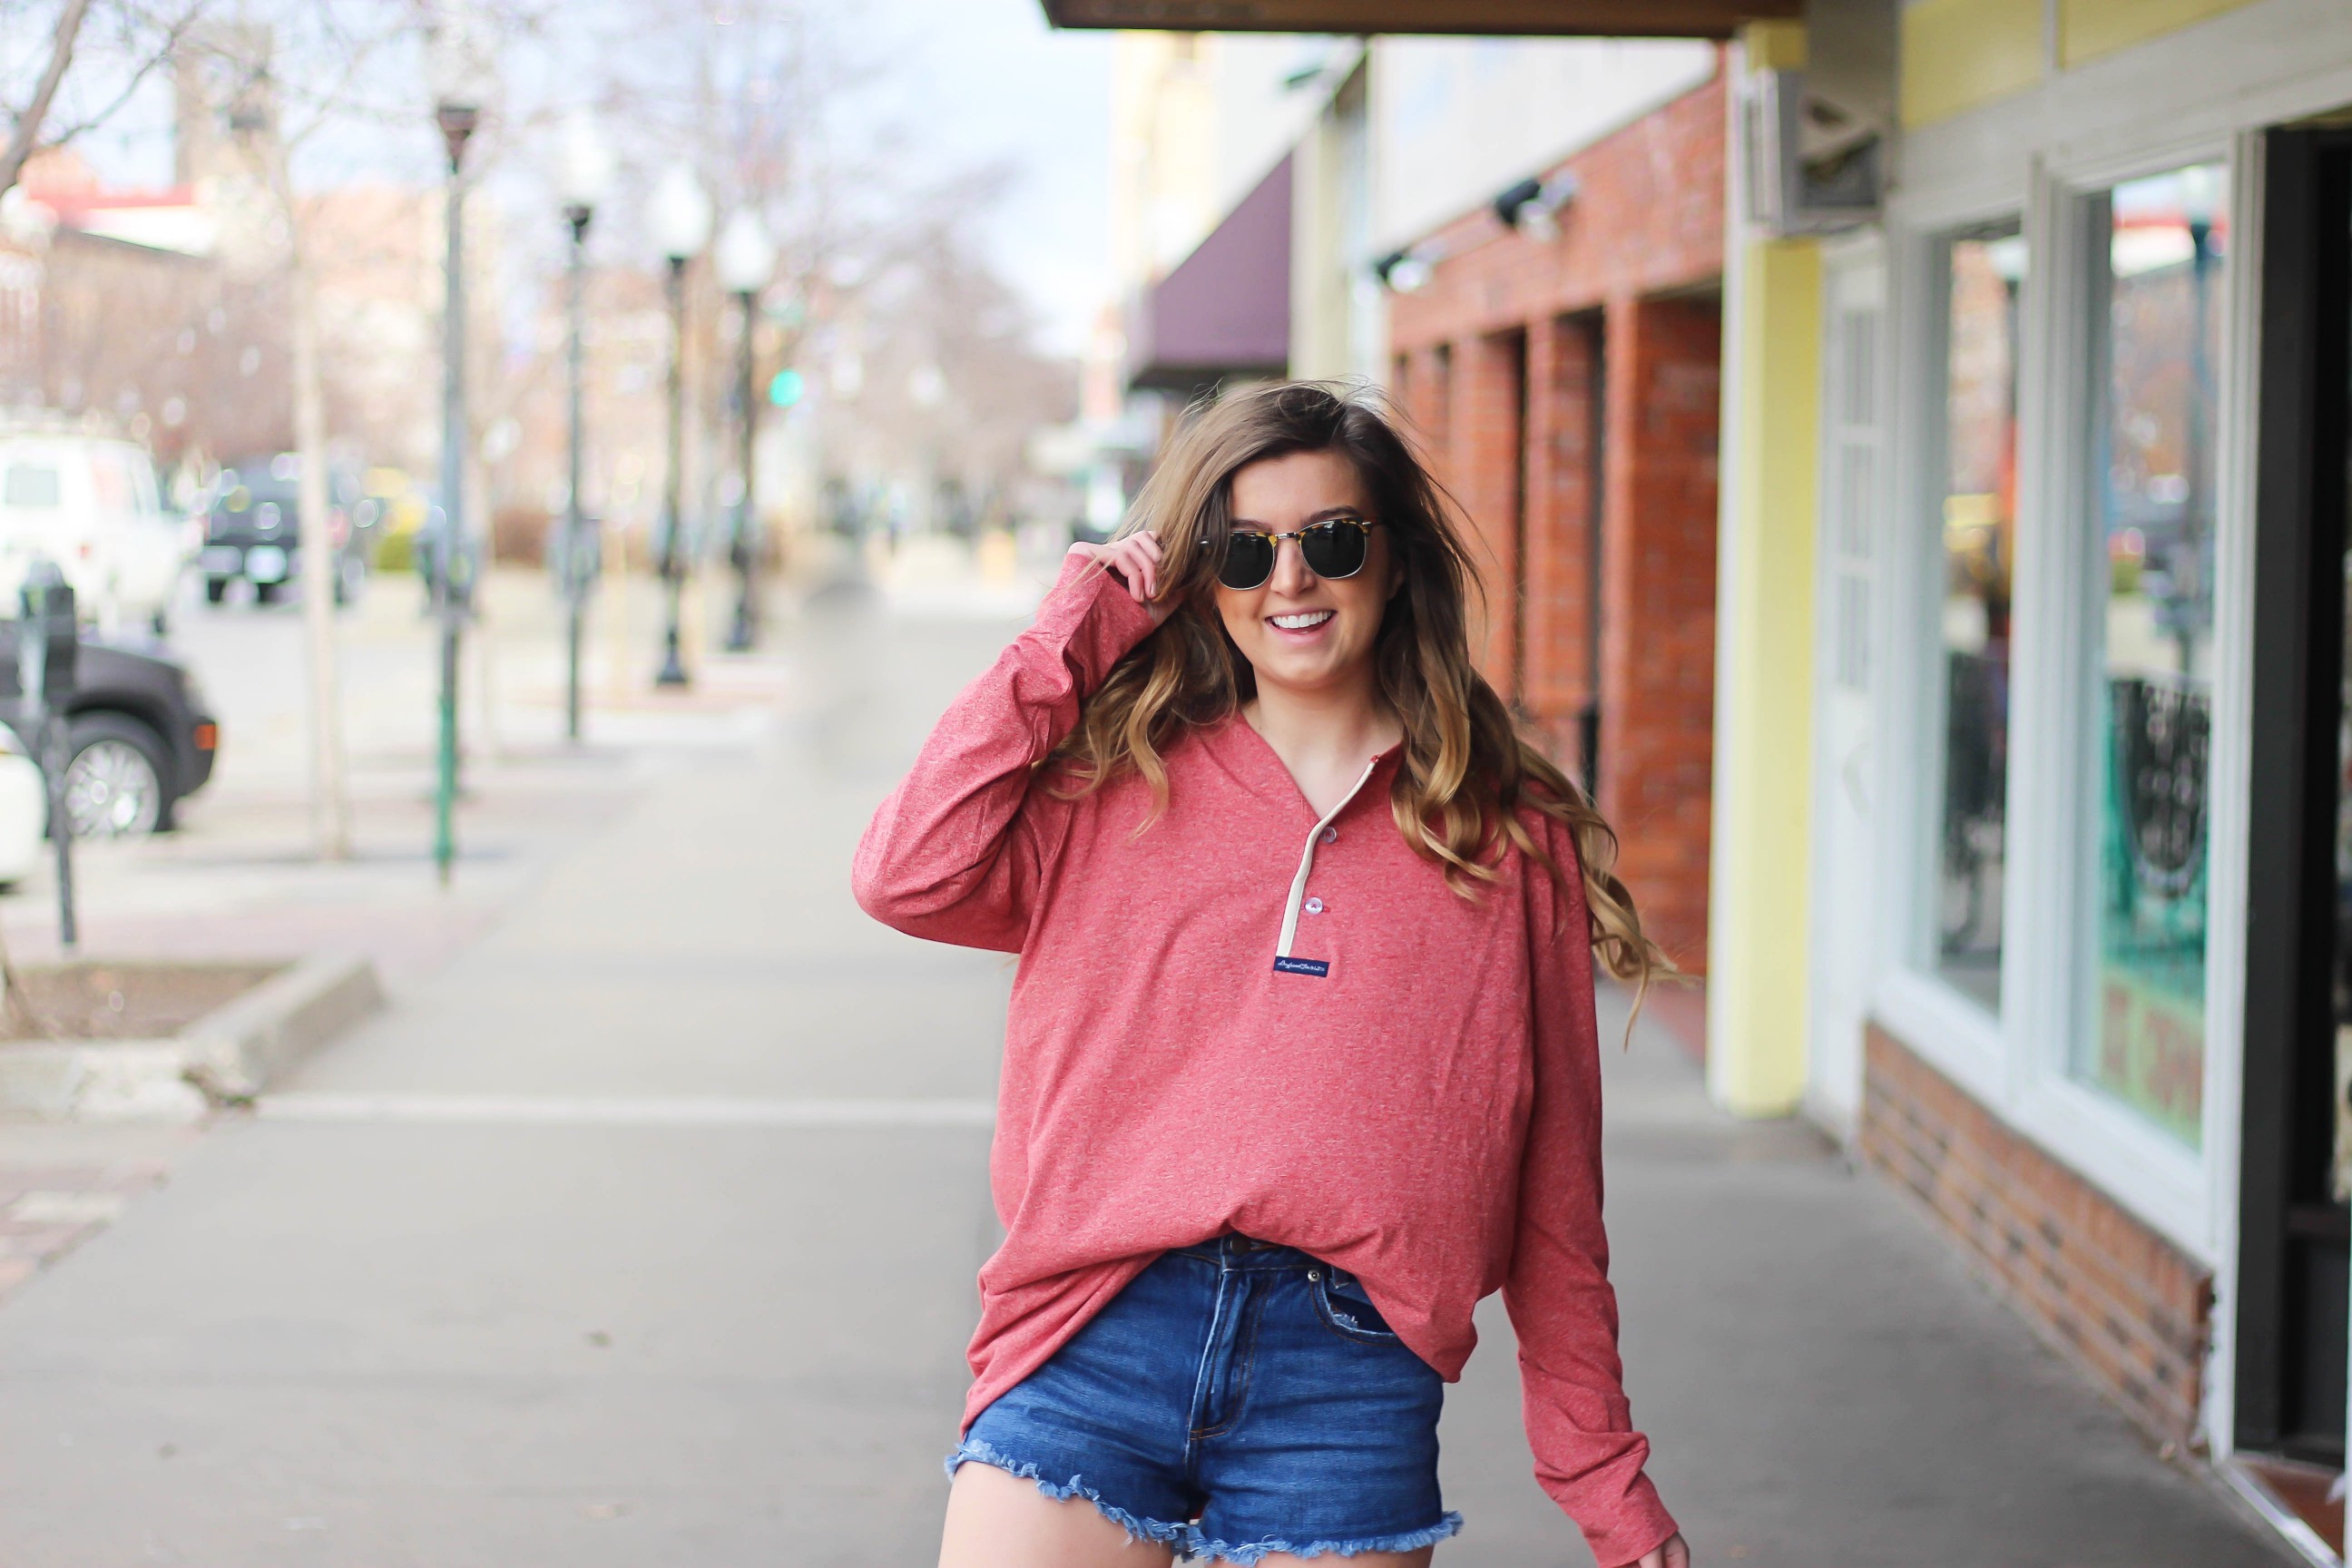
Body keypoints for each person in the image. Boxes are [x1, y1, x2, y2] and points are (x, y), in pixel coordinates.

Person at [854, 382, 1689, 1568]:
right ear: (1206, 578)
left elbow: (1557, 1194)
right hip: (1093, 1331)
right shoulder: (1112, 783)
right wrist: (1073, 631)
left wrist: (1602, 1477)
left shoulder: (1507, 836)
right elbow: (906, 873)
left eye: (1330, 543)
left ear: (1395, 565)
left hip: (1346, 1377)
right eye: (1245, 552)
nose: (1288, 581)